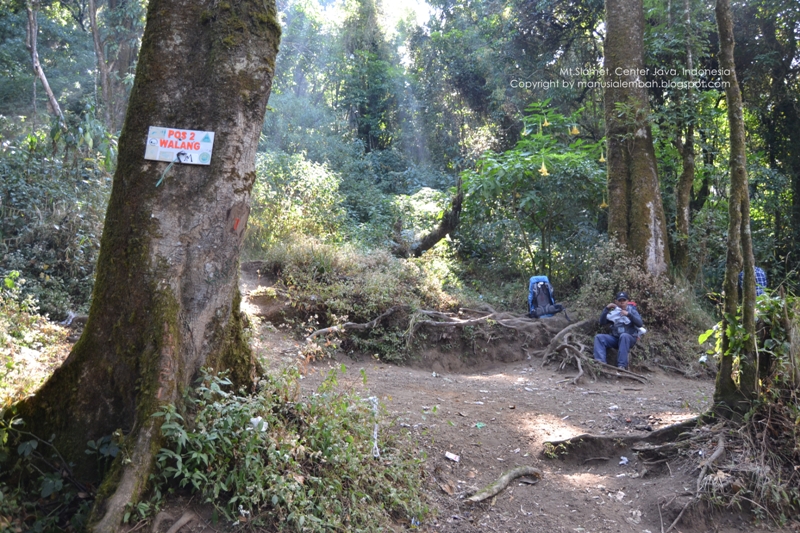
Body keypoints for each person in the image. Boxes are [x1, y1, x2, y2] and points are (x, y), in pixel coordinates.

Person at [593, 291, 643, 370]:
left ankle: (621, 366)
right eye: (620, 301)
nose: (622, 303)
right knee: (599, 337)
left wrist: (628, 314)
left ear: (627, 301)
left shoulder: (632, 311)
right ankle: (600, 363)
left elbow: (640, 323)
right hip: (616, 338)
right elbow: (602, 322)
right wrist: (606, 309)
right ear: (616, 301)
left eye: (624, 300)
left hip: (629, 338)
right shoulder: (614, 313)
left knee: (624, 336)